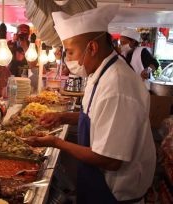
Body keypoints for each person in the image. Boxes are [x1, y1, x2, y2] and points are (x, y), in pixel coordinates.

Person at [24, 5, 156, 203]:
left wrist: (56, 142)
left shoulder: (117, 85)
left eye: (69, 52)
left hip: (114, 192)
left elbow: (110, 160)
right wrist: (62, 116)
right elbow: (97, 116)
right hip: (96, 180)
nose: (68, 59)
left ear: (92, 48)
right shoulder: (102, 72)